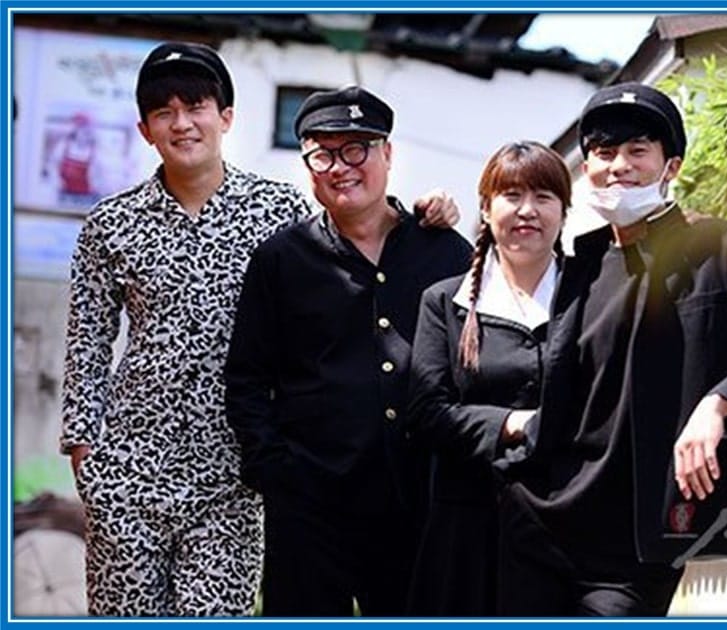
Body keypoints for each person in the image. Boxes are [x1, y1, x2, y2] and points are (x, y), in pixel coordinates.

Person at [59, 42, 458, 617]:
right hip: (129, 468)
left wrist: (428, 212)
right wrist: (84, 448)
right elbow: (88, 340)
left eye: (195, 106)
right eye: (163, 112)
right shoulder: (110, 224)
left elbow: (351, 235)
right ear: (145, 129)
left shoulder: (276, 210)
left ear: (225, 118)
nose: (182, 123)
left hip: (232, 481)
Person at [496, 82, 727, 616]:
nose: (619, 166)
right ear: (587, 167)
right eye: (604, 153)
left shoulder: (724, 246)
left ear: (670, 166)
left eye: (638, 151)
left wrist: (719, 403)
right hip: (541, 527)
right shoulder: (578, 268)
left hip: (640, 544)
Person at [224, 86, 473, 617]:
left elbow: (477, 359)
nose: (341, 166)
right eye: (323, 153)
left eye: (356, 148)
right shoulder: (281, 259)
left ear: (388, 153)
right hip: (311, 506)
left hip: (419, 503)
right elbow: (246, 377)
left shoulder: (445, 249)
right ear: (309, 167)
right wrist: (274, 471)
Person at [405, 141, 571, 615]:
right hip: (467, 529)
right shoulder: (444, 302)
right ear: (485, 207)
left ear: (563, 209)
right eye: (511, 195)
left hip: (566, 523)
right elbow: (427, 411)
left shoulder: (591, 292)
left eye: (543, 197)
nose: (527, 211)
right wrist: (514, 424)